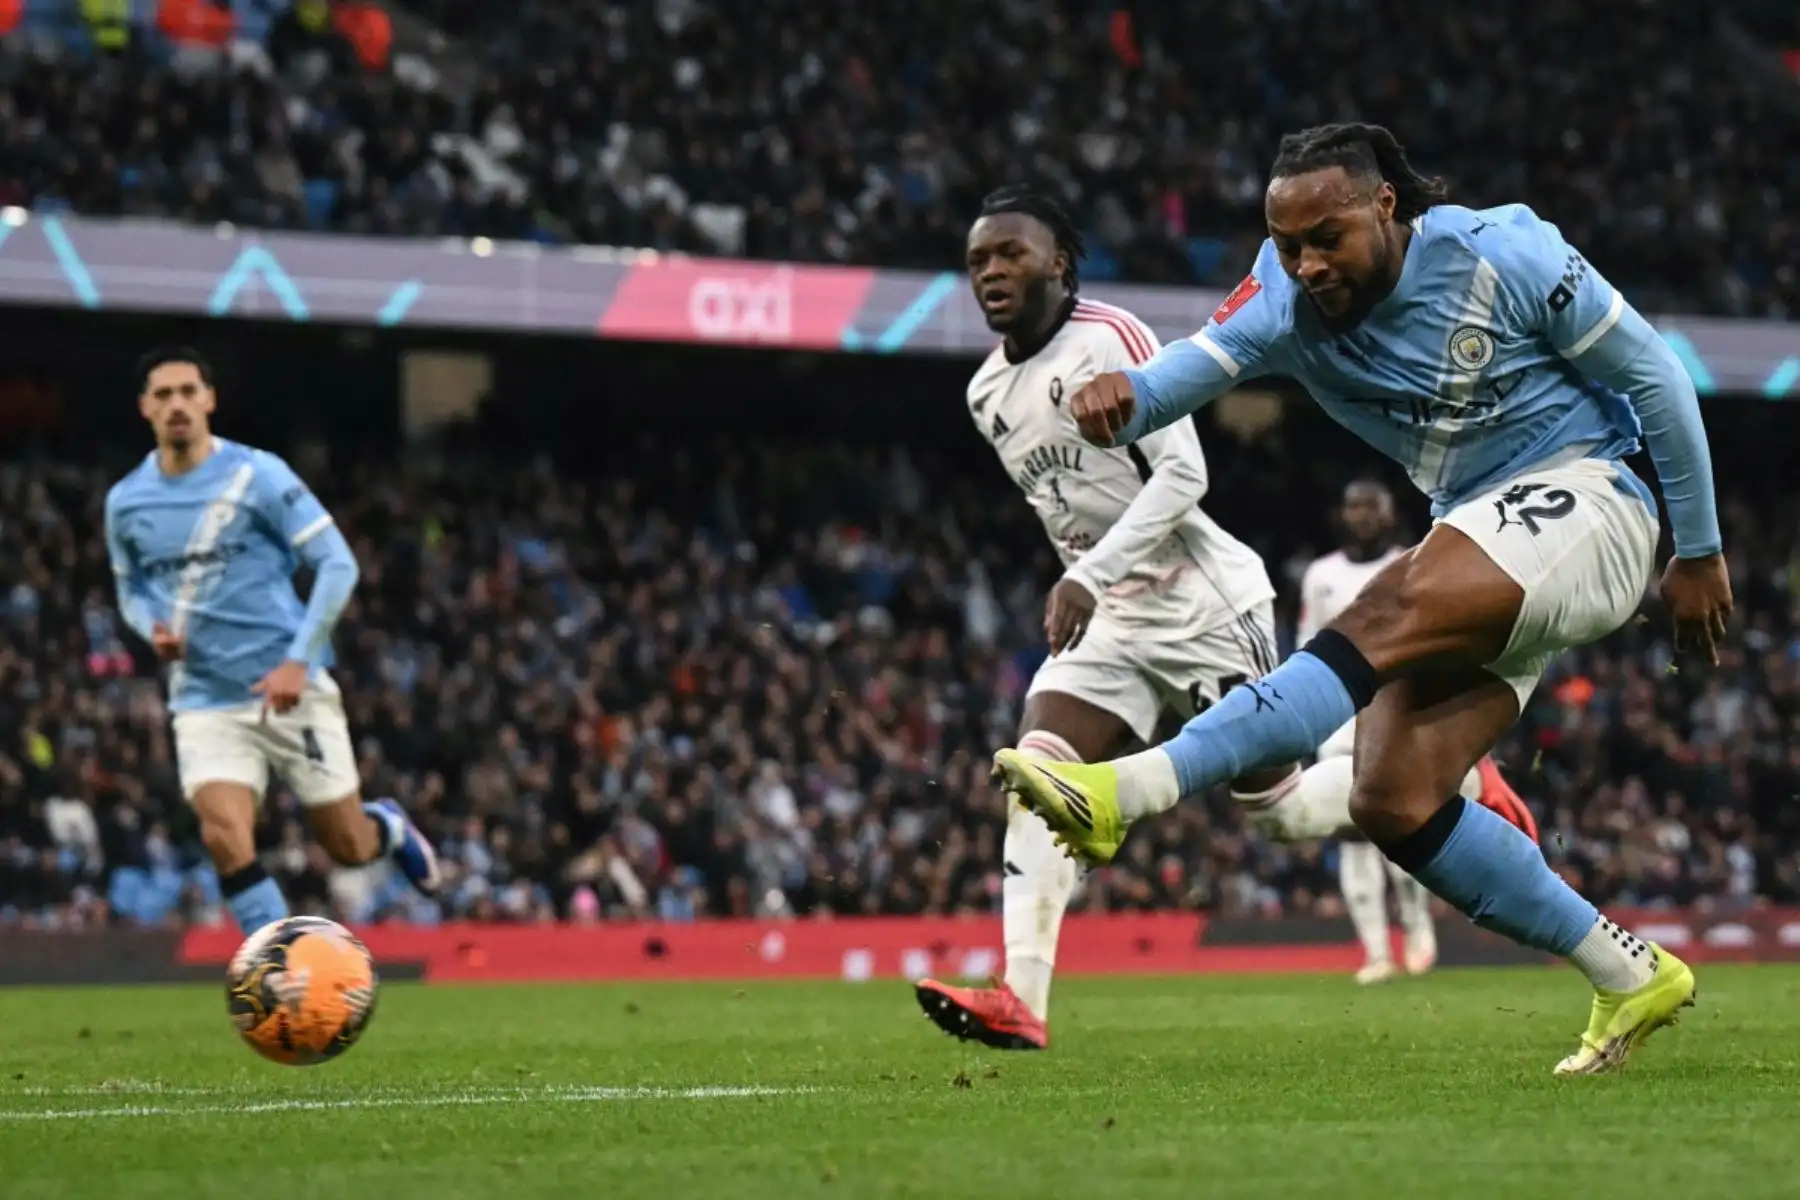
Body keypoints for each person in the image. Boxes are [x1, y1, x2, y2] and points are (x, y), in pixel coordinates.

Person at [990, 124, 1730, 1076]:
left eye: (1326, 237)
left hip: (1594, 498)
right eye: (1288, 242)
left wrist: (1700, 549)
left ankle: (1125, 791)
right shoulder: (1283, 294)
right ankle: (1626, 972)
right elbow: (1201, 365)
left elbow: (1655, 374)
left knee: (1378, 612)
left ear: (1386, 205)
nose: (1306, 263)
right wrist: (1124, 397)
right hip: (1483, 529)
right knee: (1393, 796)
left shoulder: (1502, 250)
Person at [913, 187, 1535, 1051]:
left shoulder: (1109, 337)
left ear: (1058, 262)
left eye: (1010, 254)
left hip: (1203, 600)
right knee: (1039, 770)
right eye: (979, 259)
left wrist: (1088, 574)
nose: (991, 272)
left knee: (1278, 811)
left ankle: (1455, 778)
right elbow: (1070, 506)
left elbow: (1183, 478)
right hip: (1111, 622)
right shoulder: (987, 392)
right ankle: (1020, 997)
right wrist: (1088, 580)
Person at [104, 347, 440, 934]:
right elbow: (129, 587)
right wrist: (148, 628)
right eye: (163, 395)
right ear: (143, 409)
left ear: (210, 400)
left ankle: (386, 826)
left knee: (347, 846)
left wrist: (297, 661)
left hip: (292, 688)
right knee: (223, 836)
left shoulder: (258, 475)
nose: (177, 405)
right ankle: (283, 973)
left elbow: (338, 564)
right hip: (205, 697)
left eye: (188, 391)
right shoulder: (126, 502)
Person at [1302, 479, 1537, 984]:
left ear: (1389, 514)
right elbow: (1308, 646)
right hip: (1339, 720)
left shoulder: (1414, 561)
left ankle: (1416, 927)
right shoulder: (1320, 574)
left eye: (1371, 504)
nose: (1361, 514)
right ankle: (1374, 952)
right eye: (1353, 504)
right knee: (1350, 835)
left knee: (1398, 822)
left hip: (1395, 710)